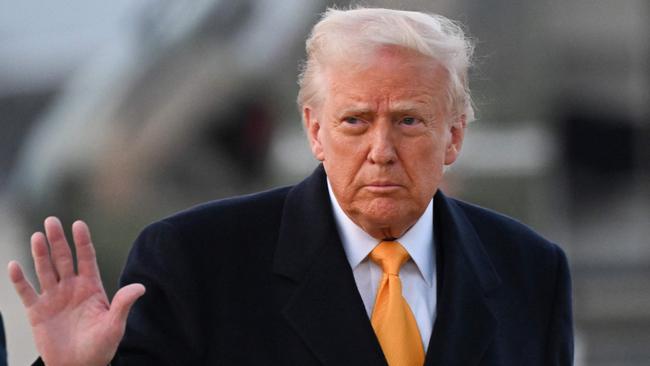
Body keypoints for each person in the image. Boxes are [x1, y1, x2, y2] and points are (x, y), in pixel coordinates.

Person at [8, 7, 573, 366]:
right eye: (355, 121)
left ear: (453, 137)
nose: (381, 150)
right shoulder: (195, 261)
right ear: (315, 131)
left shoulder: (531, 271)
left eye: (408, 121)